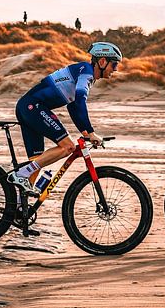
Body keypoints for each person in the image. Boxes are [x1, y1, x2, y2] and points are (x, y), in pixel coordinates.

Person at [7, 42, 122, 195]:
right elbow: (80, 101)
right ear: (102, 62)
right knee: (68, 147)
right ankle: (21, 174)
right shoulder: (86, 73)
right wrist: (92, 132)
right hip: (33, 107)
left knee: (37, 161)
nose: (115, 69)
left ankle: (19, 212)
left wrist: (86, 133)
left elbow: (73, 107)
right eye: (114, 65)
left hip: (28, 107)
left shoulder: (84, 73)